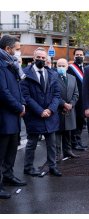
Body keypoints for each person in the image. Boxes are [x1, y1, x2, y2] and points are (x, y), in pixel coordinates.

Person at [21, 47, 62, 177]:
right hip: (34, 115)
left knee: (52, 144)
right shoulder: (25, 73)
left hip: (50, 114)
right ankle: (28, 167)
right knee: (32, 143)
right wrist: (40, 111)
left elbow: (57, 94)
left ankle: (53, 167)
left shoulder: (52, 74)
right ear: (33, 58)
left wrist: (50, 109)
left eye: (43, 58)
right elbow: (26, 96)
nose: (41, 60)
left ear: (46, 59)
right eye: (38, 57)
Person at [0, 35, 27, 199]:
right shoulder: (2, 66)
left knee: (11, 150)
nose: (19, 52)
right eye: (17, 49)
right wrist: (19, 107)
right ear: (8, 49)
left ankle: (8, 176)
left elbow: (17, 87)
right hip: (4, 117)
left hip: (14, 116)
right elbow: (3, 92)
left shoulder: (11, 65)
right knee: (1, 153)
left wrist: (22, 104)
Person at [55, 58, 79, 161]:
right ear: (56, 67)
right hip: (58, 110)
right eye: (59, 66)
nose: (61, 67)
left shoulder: (72, 78)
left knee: (68, 131)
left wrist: (71, 104)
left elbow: (76, 93)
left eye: (63, 66)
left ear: (67, 67)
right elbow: (53, 94)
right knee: (58, 133)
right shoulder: (53, 78)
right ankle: (57, 154)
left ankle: (68, 151)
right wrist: (63, 104)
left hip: (70, 110)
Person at [67, 48, 89, 150]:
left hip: (83, 100)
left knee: (80, 121)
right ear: (74, 56)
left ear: (84, 56)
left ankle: (78, 141)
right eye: (77, 55)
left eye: (81, 55)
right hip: (74, 100)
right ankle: (74, 143)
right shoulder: (71, 68)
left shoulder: (85, 68)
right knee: (74, 121)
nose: (79, 56)